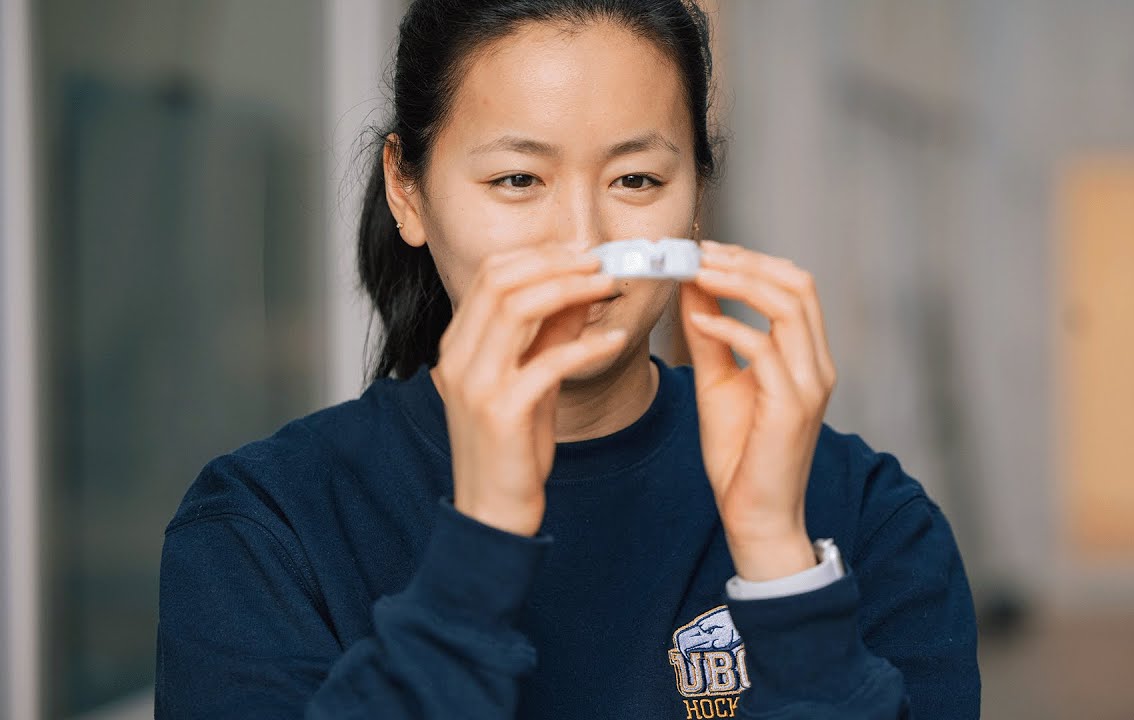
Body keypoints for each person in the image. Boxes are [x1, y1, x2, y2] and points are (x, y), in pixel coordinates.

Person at [155, 1, 980, 718]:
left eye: (637, 180)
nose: (584, 244)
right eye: (518, 179)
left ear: (698, 195)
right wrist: (477, 553)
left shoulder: (869, 517)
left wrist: (777, 563)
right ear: (408, 192)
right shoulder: (263, 531)